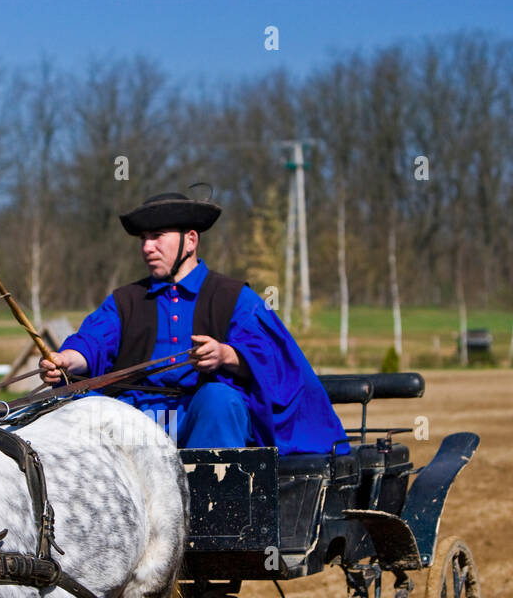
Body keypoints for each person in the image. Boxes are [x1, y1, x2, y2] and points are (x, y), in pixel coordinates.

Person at [39, 190, 348, 454]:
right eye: (143, 239)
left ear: (190, 241)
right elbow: (93, 343)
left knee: (219, 399)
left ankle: (211, 516)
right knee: (77, 406)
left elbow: (272, 362)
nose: (147, 247)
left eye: (157, 236)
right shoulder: (125, 300)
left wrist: (225, 355)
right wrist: (66, 360)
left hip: (201, 418)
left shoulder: (235, 297)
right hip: (135, 422)